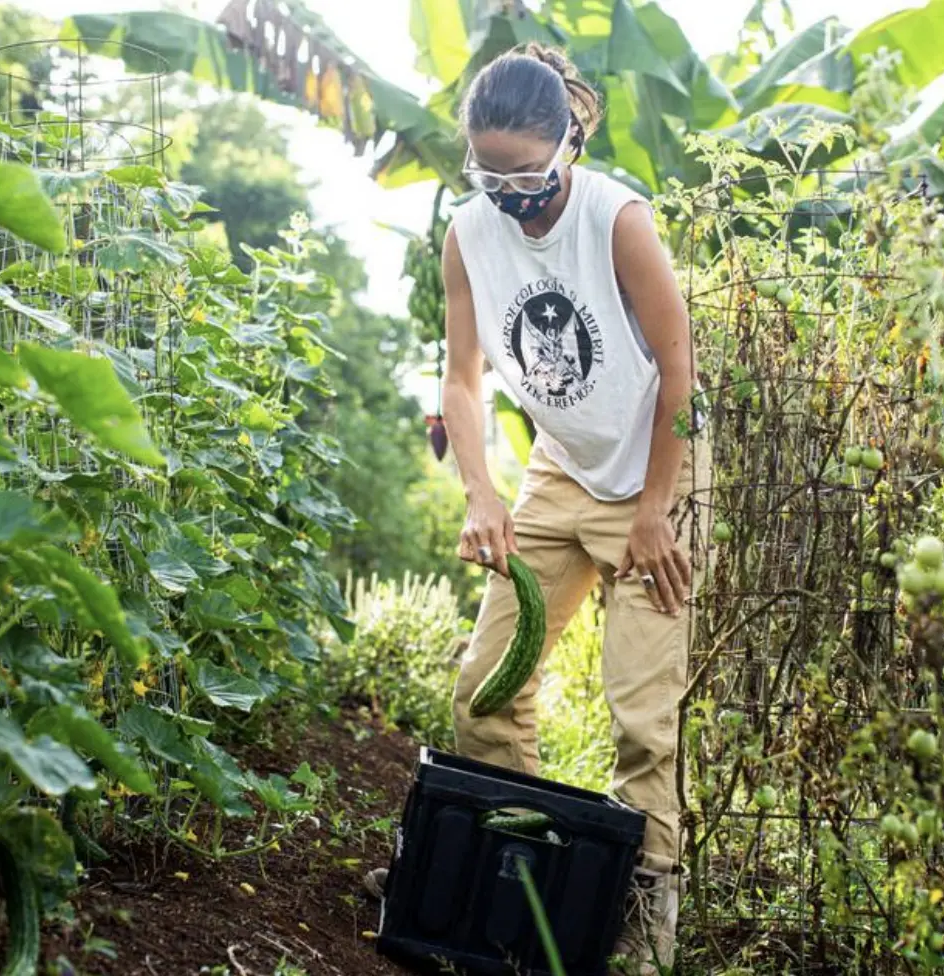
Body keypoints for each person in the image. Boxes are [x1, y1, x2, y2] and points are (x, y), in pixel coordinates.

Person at [364, 42, 710, 976]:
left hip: (654, 475)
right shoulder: (469, 232)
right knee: (486, 687)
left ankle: (642, 920)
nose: (510, 195)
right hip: (558, 473)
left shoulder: (616, 220)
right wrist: (482, 492)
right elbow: (463, 378)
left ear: (569, 144)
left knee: (640, 716)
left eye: (527, 174)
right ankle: (515, 880)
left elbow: (684, 380)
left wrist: (655, 509)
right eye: (489, 174)